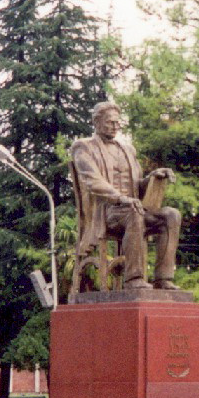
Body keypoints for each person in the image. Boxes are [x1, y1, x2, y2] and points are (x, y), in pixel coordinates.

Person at [70, 101, 181, 290]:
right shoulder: (83, 147)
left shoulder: (127, 149)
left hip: (133, 208)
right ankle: (134, 279)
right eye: (110, 122)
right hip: (107, 212)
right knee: (134, 212)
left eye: (117, 123)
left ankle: (163, 278)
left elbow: (137, 185)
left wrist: (154, 177)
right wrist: (121, 198)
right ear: (96, 122)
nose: (115, 127)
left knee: (171, 215)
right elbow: (93, 181)